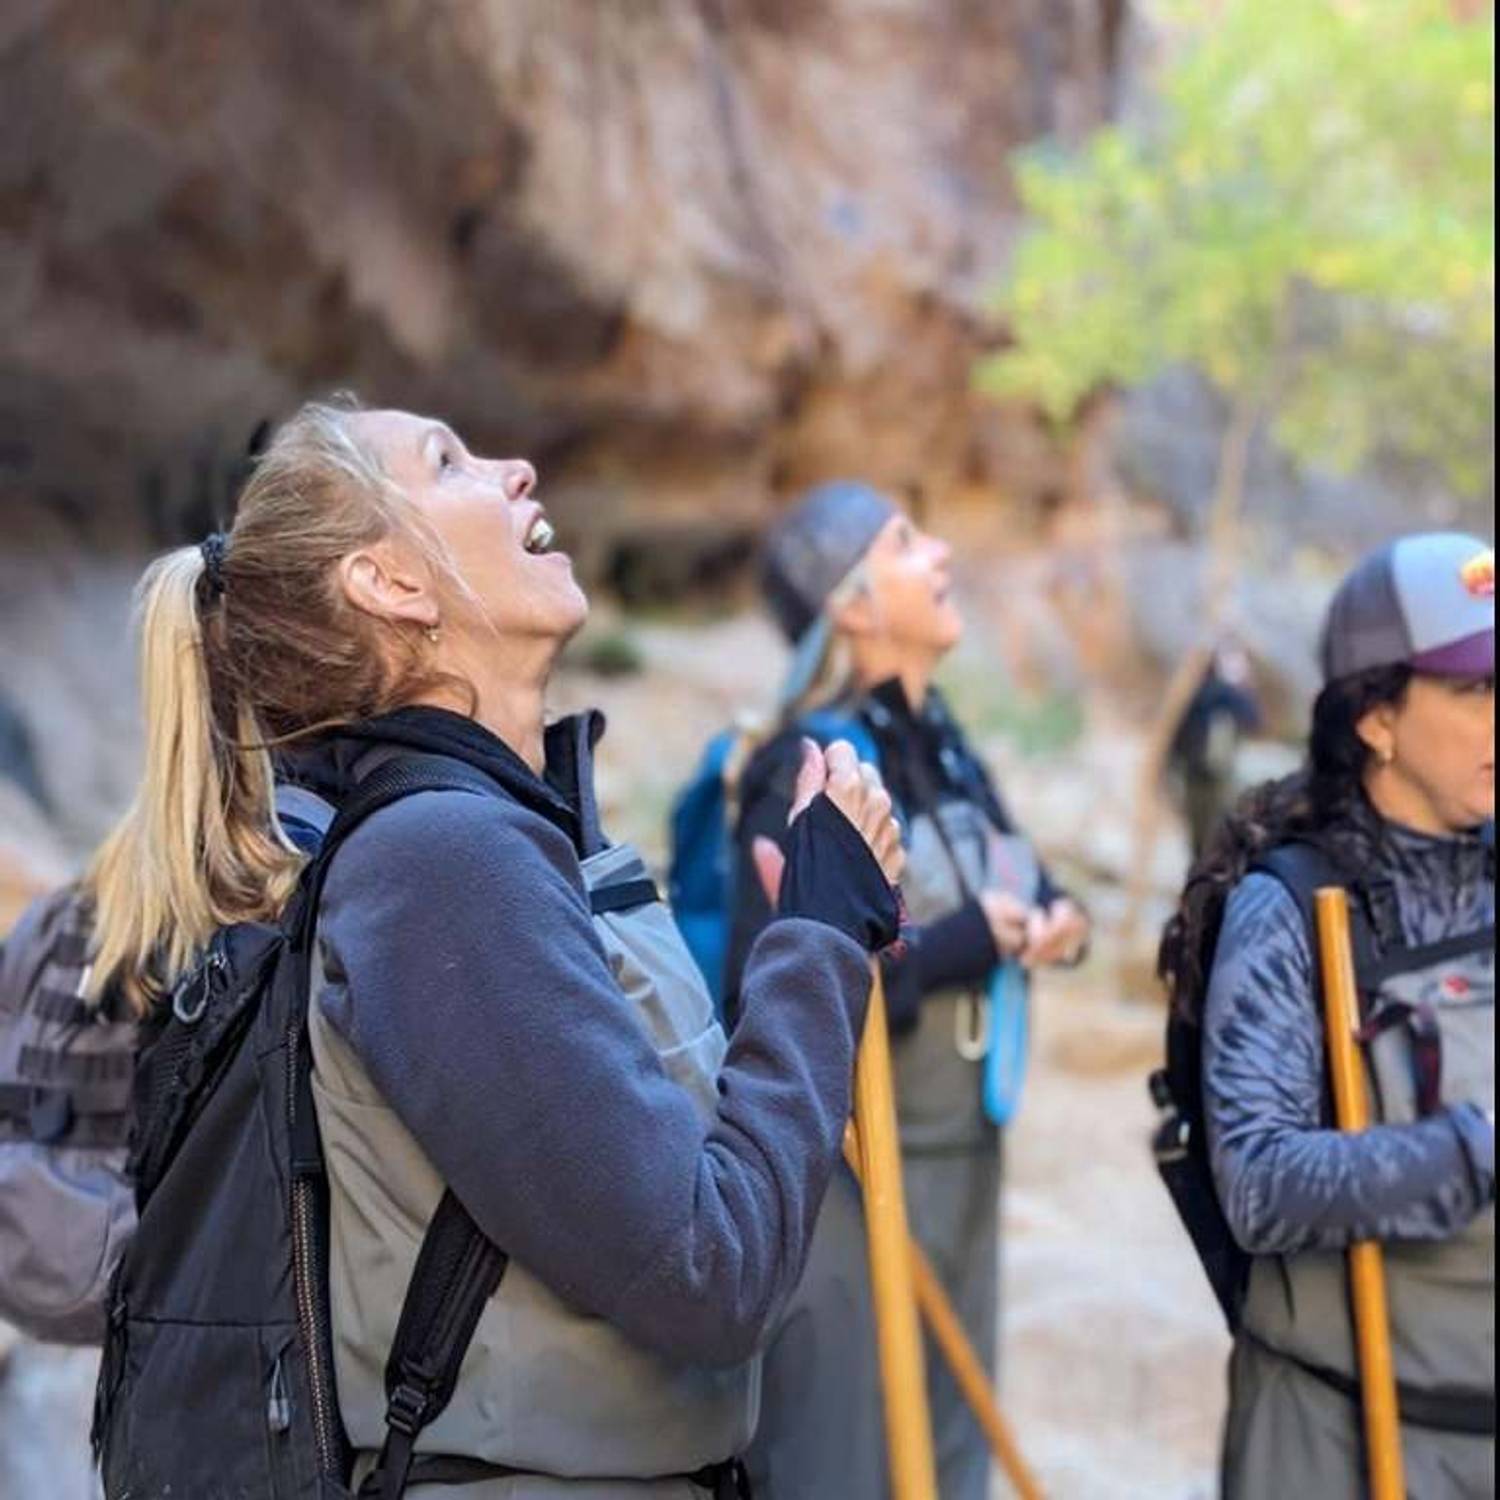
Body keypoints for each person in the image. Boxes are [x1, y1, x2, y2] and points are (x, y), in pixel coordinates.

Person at [83, 400, 908, 1498]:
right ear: (390, 582)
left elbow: (690, 1173)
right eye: (449, 462)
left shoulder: (506, 841)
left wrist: (822, 932)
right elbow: (712, 1271)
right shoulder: (443, 864)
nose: (517, 466)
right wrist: (817, 938)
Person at [724, 482, 1090, 1500]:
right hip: (862, 1168)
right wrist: (967, 942)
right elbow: (777, 977)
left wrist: (1058, 924)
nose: (941, 554)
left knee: (956, 1417)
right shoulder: (810, 768)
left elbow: (1027, 875)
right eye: (904, 542)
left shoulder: (947, 746)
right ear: (851, 604)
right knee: (872, 1440)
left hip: (966, 1146)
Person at [1163, 532, 1495, 1499]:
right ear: (1377, 717)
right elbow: (1259, 1184)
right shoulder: (1292, 912)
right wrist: (1474, 1150)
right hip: (1345, 1439)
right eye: (1475, 690)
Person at [1167, 640, 1262, 858]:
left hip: (1206, 773)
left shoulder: (1198, 691)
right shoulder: (1217, 692)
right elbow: (1253, 718)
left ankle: (1201, 871)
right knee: (1208, 837)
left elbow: (1253, 719)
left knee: (1204, 837)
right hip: (1206, 773)